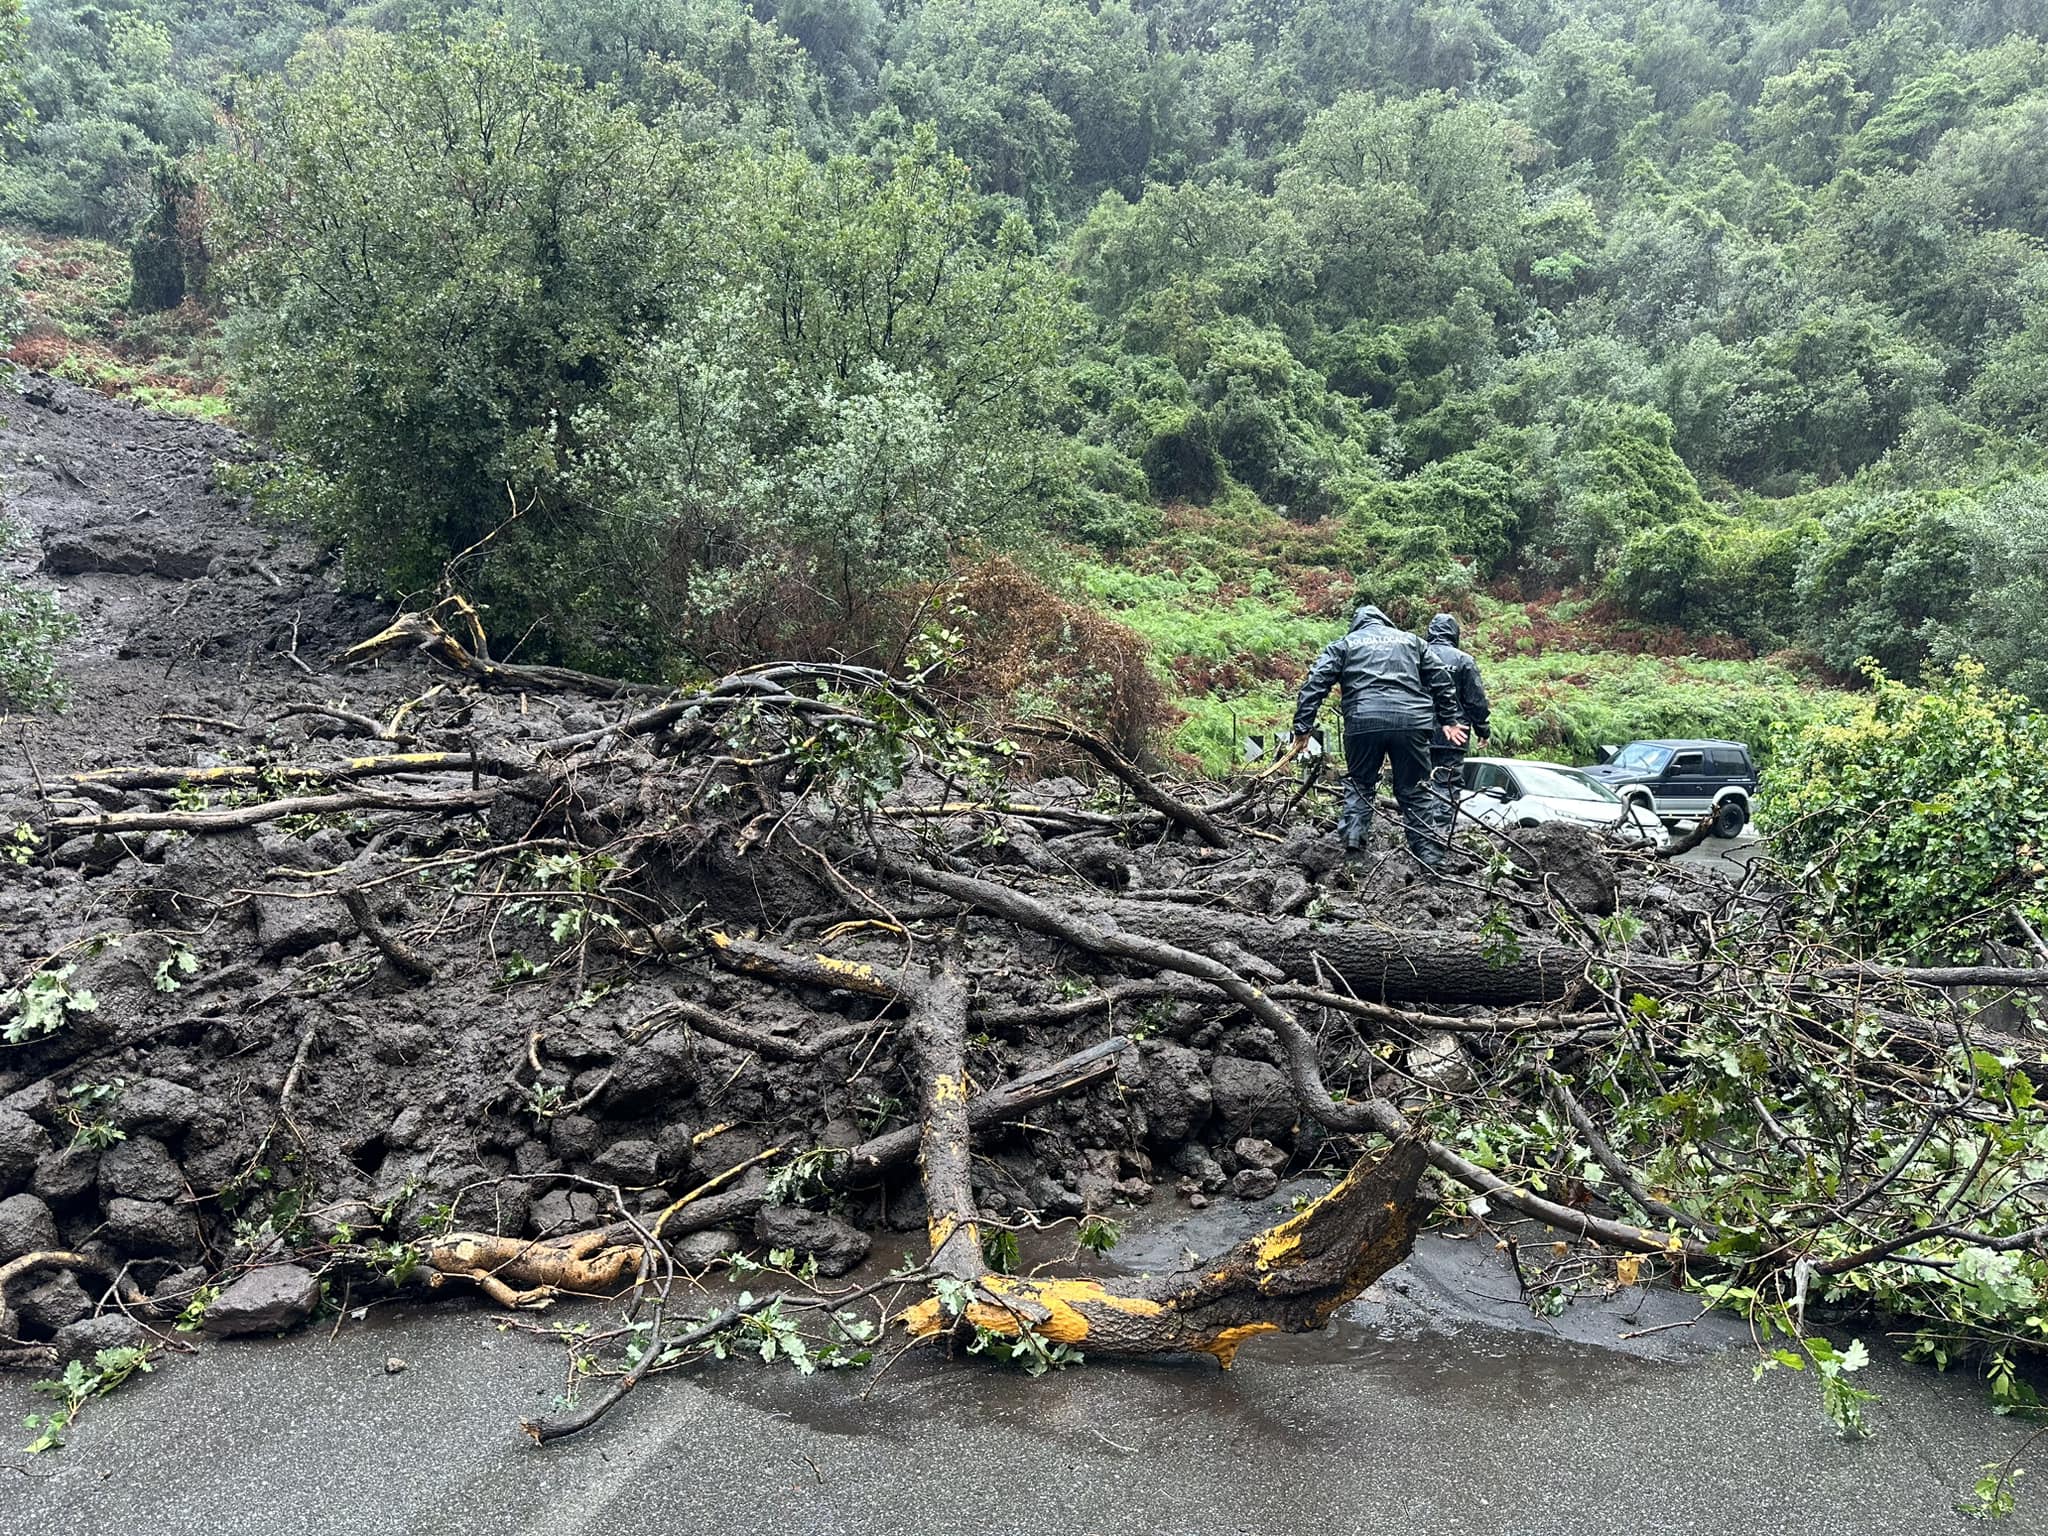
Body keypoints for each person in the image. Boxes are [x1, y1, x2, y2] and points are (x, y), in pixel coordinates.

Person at [1292, 603, 1467, 867]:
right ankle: (1432, 863)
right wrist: (1449, 719)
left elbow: (1315, 683)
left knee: (1360, 785)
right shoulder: (1414, 642)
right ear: (1385, 621)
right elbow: (1441, 679)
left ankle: (1353, 854)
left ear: (1357, 624)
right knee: (1415, 792)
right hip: (1411, 723)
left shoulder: (1345, 644)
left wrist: (1303, 727)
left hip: (1363, 722)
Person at [1421, 613, 1491, 840]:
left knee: (1418, 781)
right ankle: (1440, 834)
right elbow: (1475, 700)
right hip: (1453, 733)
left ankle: (1419, 832)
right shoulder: (1463, 660)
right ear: (1455, 634)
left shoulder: (1416, 654)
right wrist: (1483, 729)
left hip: (1416, 729)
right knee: (1447, 782)